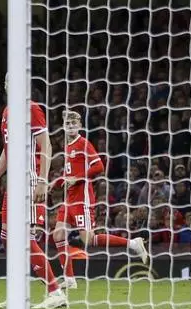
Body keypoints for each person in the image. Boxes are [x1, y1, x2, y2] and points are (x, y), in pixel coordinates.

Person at [0, 75, 68, 309]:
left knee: (24, 238)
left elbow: (46, 145)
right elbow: (7, 149)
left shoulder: (32, 108)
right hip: (13, 183)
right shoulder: (8, 112)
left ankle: (55, 291)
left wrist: (42, 180)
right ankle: (18, 294)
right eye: (9, 82)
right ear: (5, 86)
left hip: (29, 180)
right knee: (8, 238)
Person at [53, 110, 148, 289]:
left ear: (80, 126)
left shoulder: (83, 143)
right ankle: (69, 279)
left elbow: (99, 166)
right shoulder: (68, 146)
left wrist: (77, 178)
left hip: (82, 199)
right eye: (68, 124)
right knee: (58, 235)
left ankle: (133, 243)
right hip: (69, 199)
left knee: (88, 240)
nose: (71, 126)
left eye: (74, 123)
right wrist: (55, 183)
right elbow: (70, 174)